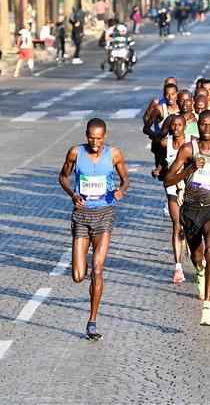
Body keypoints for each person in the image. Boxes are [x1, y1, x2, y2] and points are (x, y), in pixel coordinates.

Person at [58, 118, 130, 340]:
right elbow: (62, 176)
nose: (95, 142)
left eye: (99, 138)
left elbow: (126, 179)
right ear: (86, 134)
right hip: (81, 215)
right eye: (91, 137)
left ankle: (92, 322)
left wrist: (121, 190)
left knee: (97, 269)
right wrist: (73, 194)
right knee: (79, 276)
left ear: (105, 136)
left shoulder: (114, 154)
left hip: (105, 214)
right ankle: (84, 265)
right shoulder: (75, 153)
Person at [164, 110, 210, 326]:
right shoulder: (189, 149)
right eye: (203, 125)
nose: (206, 129)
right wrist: (190, 170)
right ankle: (199, 271)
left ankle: (207, 306)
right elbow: (168, 180)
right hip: (190, 210)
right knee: (197, 258)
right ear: (199, 127)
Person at [152, 114, 188, 283]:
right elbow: (163, 161)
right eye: (173, 125)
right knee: (177, 223)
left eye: (179, 125)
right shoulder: (165, 143)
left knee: (190, 224)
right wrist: (158, 170)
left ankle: (192, 245)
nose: (176, 128)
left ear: (185, 127)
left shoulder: (191, 142)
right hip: (172, 186)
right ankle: (178, 267)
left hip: (190, 187)